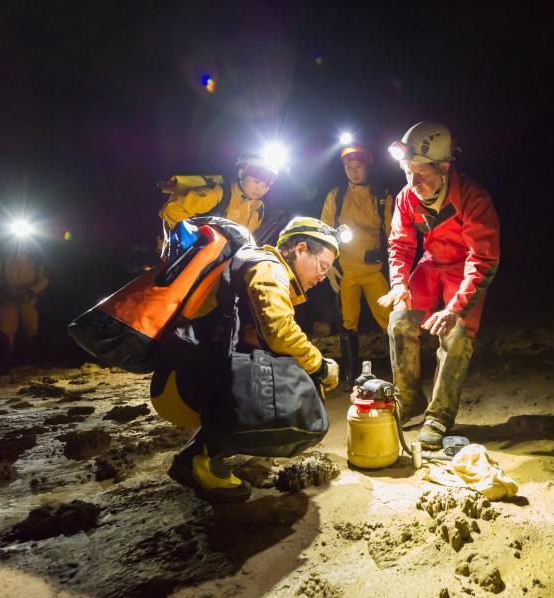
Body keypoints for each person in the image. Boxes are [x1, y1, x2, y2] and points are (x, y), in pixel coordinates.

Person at [167, 216, 341, 501]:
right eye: (322, 266)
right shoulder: (268, 267)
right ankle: (202, 460)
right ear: (299, 250)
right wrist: (321, 366)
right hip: (206, 369)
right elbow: (279, 330)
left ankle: (199, 453)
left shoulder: (259, 264)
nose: (323, 276)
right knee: (307, 415)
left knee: (295, 374)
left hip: (203, 363)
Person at [378, 122, 500, 449]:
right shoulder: (407, 197)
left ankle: (440, 414)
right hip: (432, 263)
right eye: (406, 173)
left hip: (465, 269)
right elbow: (400, 245)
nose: (412, 182)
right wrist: (400, 282)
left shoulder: (474, 199)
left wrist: (455, 309)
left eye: (420, 173)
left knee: (457, 334)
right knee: (400, 320)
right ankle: (408, 397)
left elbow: (484, 259)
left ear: (444, 168)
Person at [320, 144, 393, 386]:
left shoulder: (382, 196)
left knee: (390, 320)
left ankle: (401, 370)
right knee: (347, 321)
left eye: (358, 166)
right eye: (348, 167)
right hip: (346, 271)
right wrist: (328, 265)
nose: (353, 171)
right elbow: (324, 231)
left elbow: (395, 235)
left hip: (375, 270)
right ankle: (350, 375)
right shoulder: (337, 195)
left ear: (368, 166)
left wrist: (394, 270)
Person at [159, 151, 281, 247]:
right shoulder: (219, 194)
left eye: (267, 185)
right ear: (241, 173)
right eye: (257, 181)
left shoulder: (258, 209)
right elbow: (172, 210)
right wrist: (195, 238)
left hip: (225, 266)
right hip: (196, 262)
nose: (260, 189)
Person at [0, 243, 49, 364]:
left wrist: (32, 291)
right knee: (7, 328)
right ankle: (7, 358)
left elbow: (44, 278)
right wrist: (4, 288)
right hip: (8, 298)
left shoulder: (36, 256)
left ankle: (37, 358)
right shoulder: (2, 254)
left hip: (28, 298)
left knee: (31, 325)